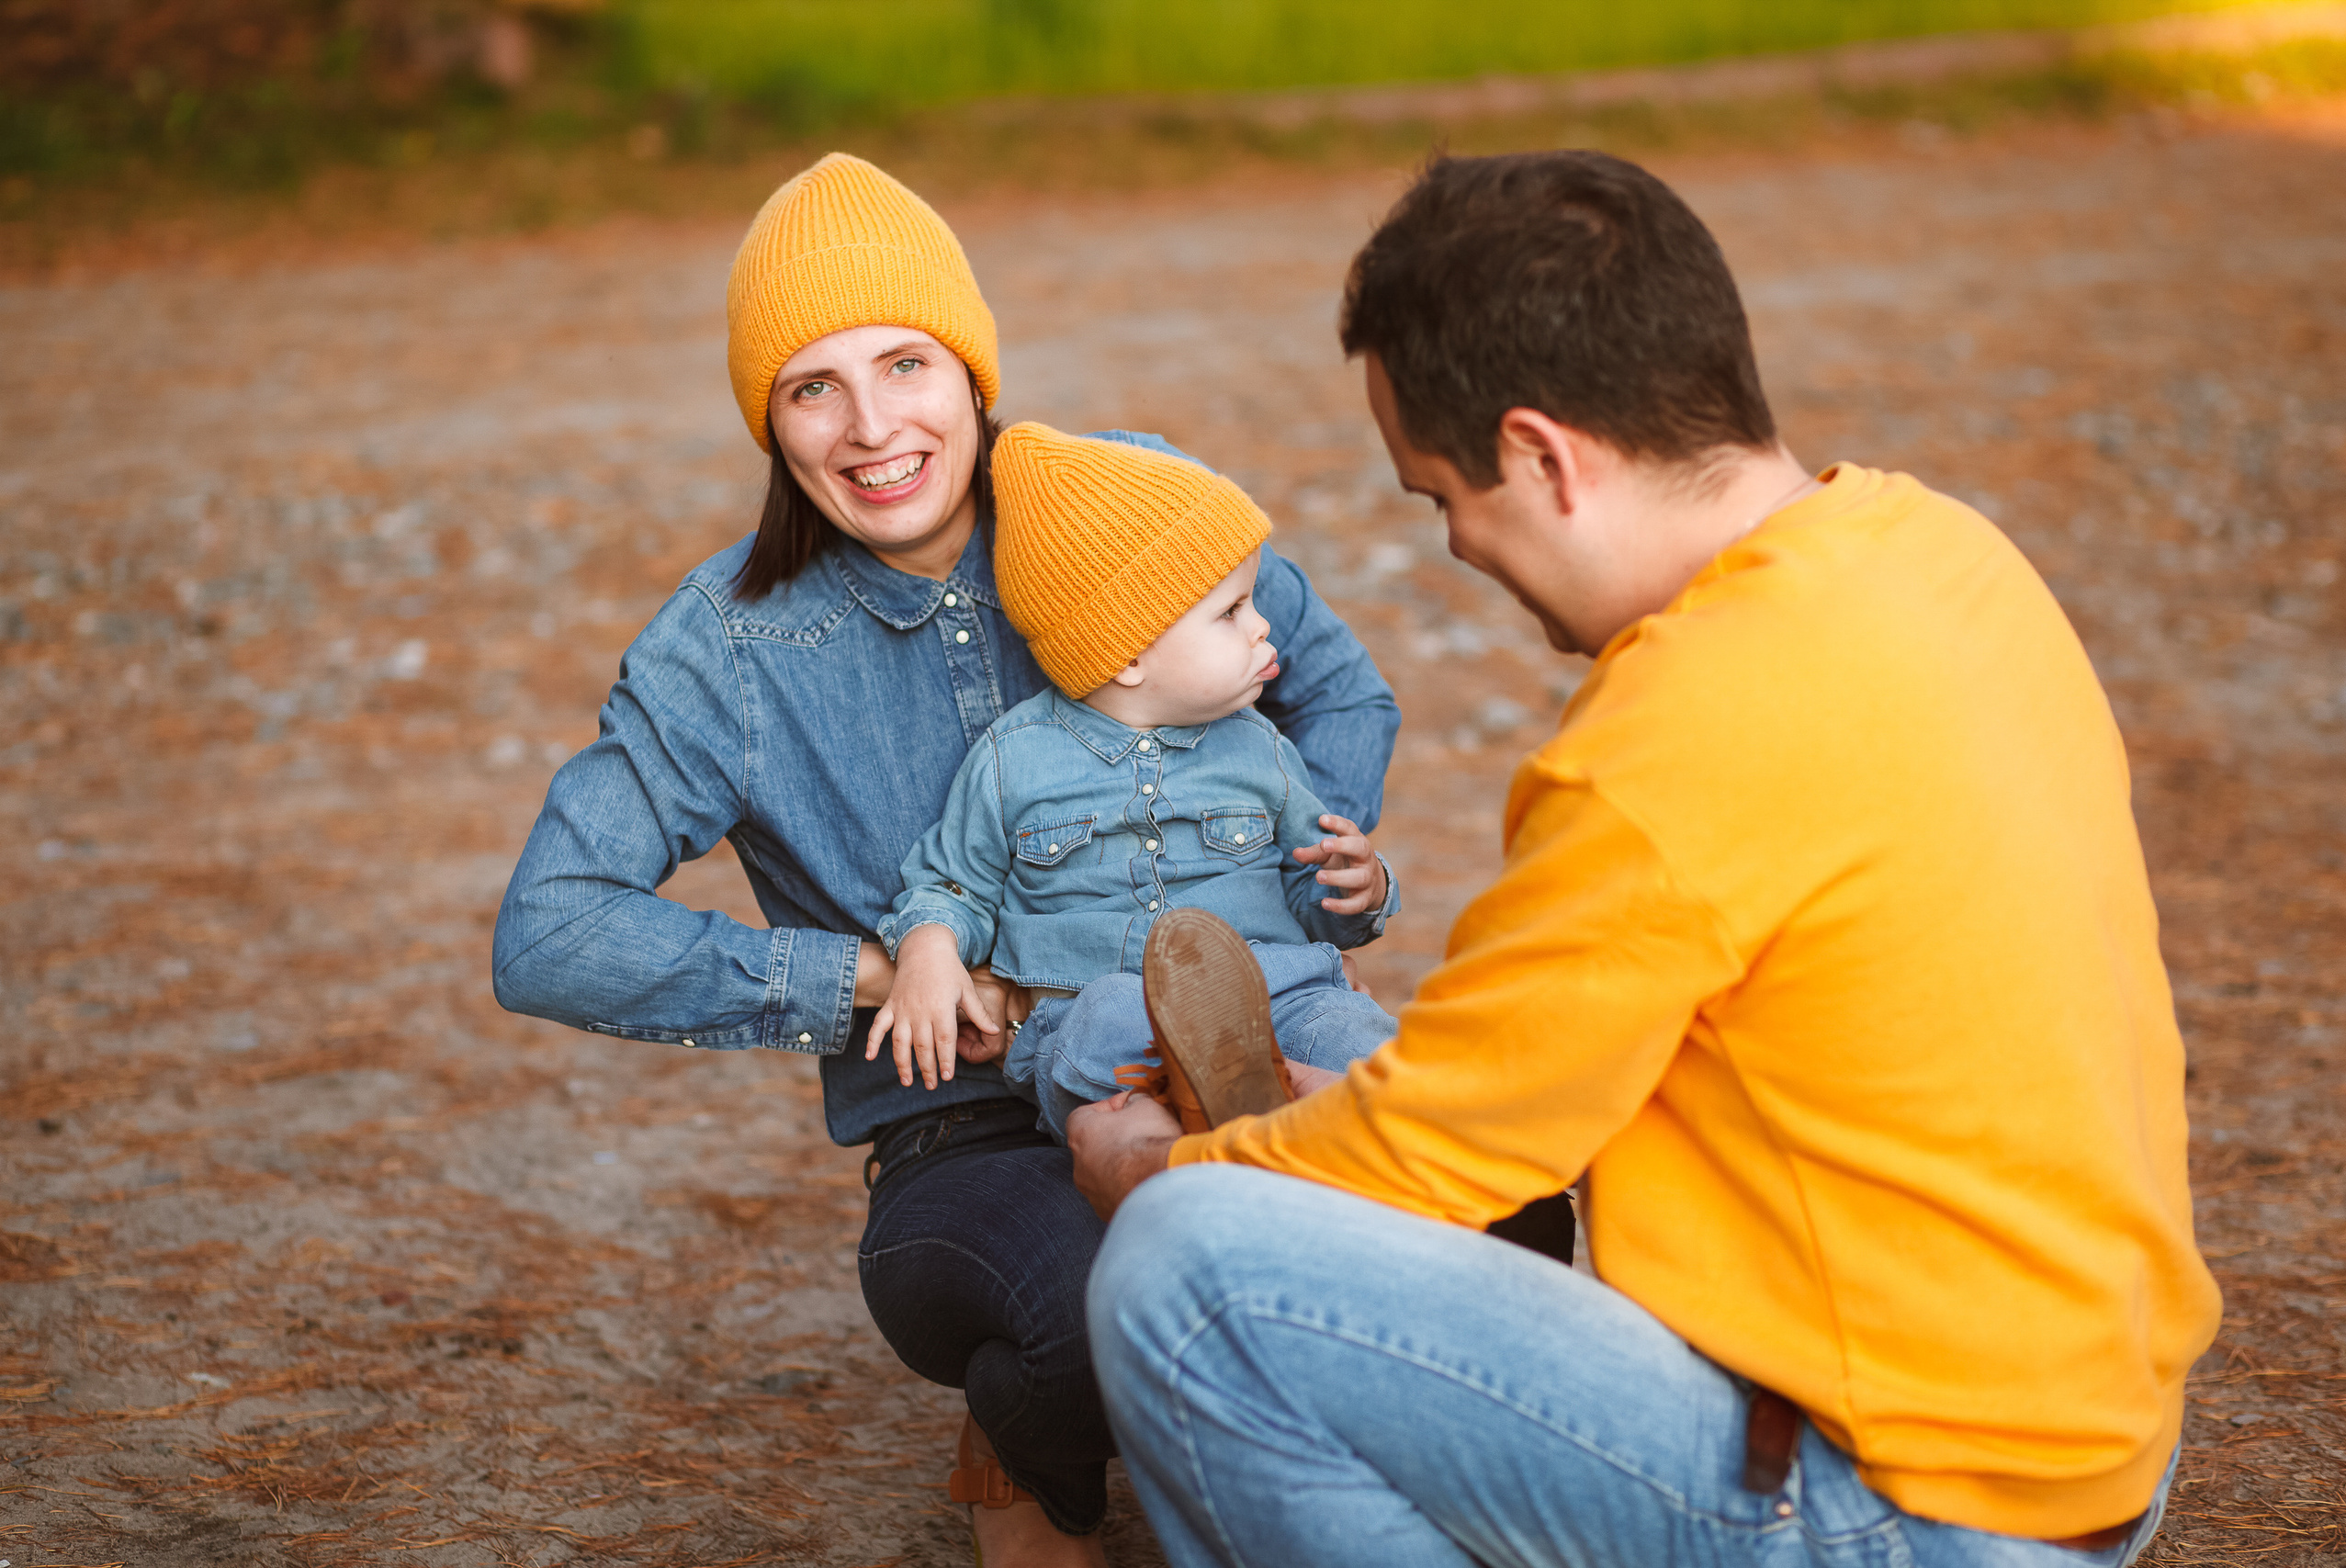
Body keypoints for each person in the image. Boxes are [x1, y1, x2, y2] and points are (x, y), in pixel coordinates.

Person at [1071, 149, 2221, 1567]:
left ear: (1545, 456)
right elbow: (1560, 1077)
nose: (1459, 546)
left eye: (1442, 496)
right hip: (2081, 1446)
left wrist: (1172, 1165)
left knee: (1182, 1269)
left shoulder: (1669, 737)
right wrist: (1345, 1114)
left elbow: (1438, 1156)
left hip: (1908, 1504)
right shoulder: (1943, 555)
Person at [490, 152, 1404, 1565]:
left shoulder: (1127, 500)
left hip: (1237, 1033)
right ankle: (1025, 1451)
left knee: (1482, 1207)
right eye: (813, 387)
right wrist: (872, 976)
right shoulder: (727, 647)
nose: (872, 429)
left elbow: (1337, 690)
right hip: (966, 1125)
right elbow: (549, 929)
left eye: (906, 363)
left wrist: (1282, 882)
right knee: (1107, 1301)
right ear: (770, 419)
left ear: (972, 369)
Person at [869, 422, 1401, 1139]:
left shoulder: (1262, 750)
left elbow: (1310, 891)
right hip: (1103, 1000)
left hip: (1273, 990)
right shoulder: (1013, 760)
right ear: (1126, 654)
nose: (1262, 626)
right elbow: (953, 882)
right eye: (1231, 611)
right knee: (1097, 1030)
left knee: (1353, 1033)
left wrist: (1360, 888)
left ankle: (1312, 1119)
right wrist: (929, 948)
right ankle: (1219, 1120)